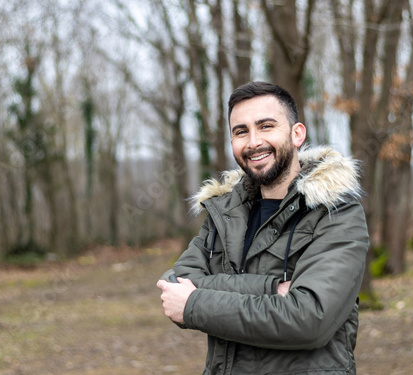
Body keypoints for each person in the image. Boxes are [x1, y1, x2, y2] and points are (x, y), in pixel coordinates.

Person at [157, 81, 369, 375]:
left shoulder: (336, 213)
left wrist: (195, 302)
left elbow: (309, 321)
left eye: (266, 126)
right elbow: (174, 287)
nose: (253, 141)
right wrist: (270, 288)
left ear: (297, 134)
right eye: (240, 131)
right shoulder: (225, 212)